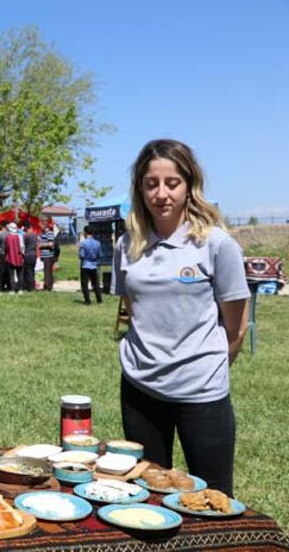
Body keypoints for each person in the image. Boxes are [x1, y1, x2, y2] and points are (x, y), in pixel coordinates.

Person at [113, 139, 249, 496]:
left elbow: (235, 328)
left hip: (202, 395)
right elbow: (133, 308)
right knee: (147, 497)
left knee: (213, 499)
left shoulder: (217, 244)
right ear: (139, 188)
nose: (161, 194)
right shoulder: (126, 245)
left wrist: (204, 369)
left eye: (171, 183)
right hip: (140, 391)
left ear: (189, 185)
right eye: (151, 183)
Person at [78, 225, 103, 304]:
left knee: (85, 283)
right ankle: (99, 299)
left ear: (85, 233)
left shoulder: (83, 243)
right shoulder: (98, 243)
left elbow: (82, 255)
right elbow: (100, 255)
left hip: (85, 265)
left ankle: (87, 300)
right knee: (96, 283)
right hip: (94, 265)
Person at [5, 222, 24, 294]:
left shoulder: (8, 237)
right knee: (20, 274)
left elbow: (6, 248)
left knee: (11, 275)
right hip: (19, 257)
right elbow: (22, 247)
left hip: (10, 257)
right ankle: (20, 289)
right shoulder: (20, 236)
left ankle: (12, 290)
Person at [39, 223, 56, 291]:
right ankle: (49, 285)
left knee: (47, 272)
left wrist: (41, 245)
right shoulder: (44, 233)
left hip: (48, 256)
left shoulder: (50, 233)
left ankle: (47, 286)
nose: (41, 226)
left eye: (42, 225)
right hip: (45, 256)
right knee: (48, 271)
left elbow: (51, 244)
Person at [22, 222, 38, 291]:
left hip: (27, 255)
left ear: (26, 227)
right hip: (34, 255)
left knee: (28, 272)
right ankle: (32, 285)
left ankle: (29, 287)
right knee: (32, 271)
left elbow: (22, 245)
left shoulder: (25, 235)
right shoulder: (35, 235)